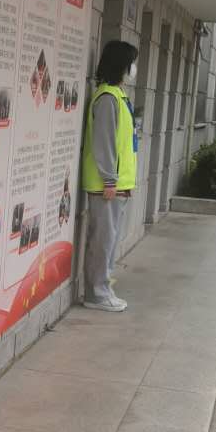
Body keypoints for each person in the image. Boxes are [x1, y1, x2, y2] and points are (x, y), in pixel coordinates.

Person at [80, 40, 139, 311]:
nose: (133, 68)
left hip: (117, 185)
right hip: (107, 186)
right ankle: (96, 294)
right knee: (102, 242)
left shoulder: (118, 96)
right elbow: (104, 143)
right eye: (131, 63)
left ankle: (103, 288)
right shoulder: (107, 98)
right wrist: (109, 180)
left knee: (109, 240)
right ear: (121, 65)